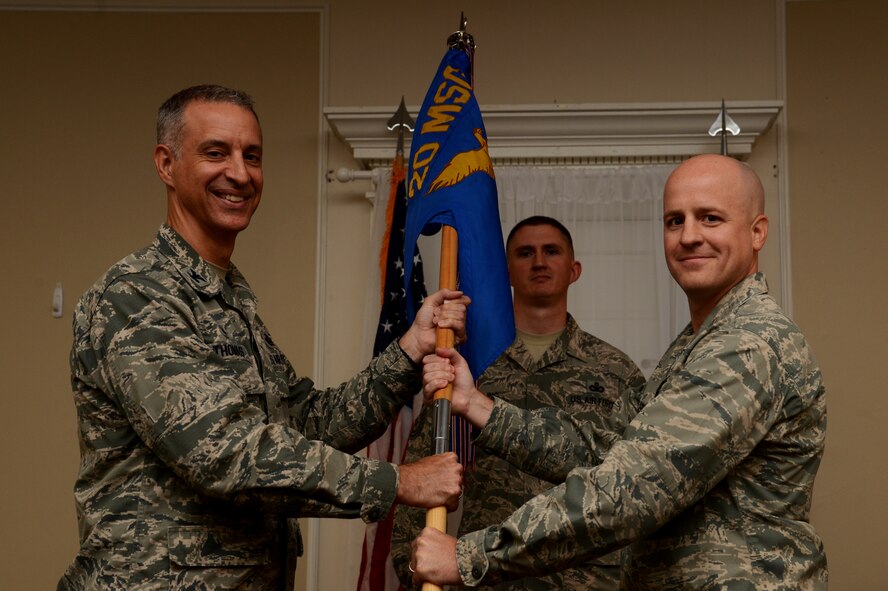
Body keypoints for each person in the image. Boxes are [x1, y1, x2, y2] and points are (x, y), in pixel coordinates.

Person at [58, 84, 470, 591]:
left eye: (252, 156)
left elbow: (308, 425)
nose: (239, 173)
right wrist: (399, 482)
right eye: (216, 152)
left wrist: (410, 349)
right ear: (166, 164)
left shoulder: (230, 298)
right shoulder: (136, 297)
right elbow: (225, 453)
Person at [412, 155, 828, 589]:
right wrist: (476, 404)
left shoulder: (747, 344)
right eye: (674, 221)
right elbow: (605, 446)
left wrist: (468, 555)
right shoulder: (696, 343)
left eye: (710, 218)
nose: (688, 236)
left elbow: (632, 487)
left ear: (757, 232)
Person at [391, 216, 645, 590]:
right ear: (507, 270)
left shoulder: (616, 371)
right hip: (486, 579)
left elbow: (637, 485)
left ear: (574, 270)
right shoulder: (469, 367)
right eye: (525, 253)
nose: (539, 262)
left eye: (551, 252)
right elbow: (424, 473)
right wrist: (412, 569)